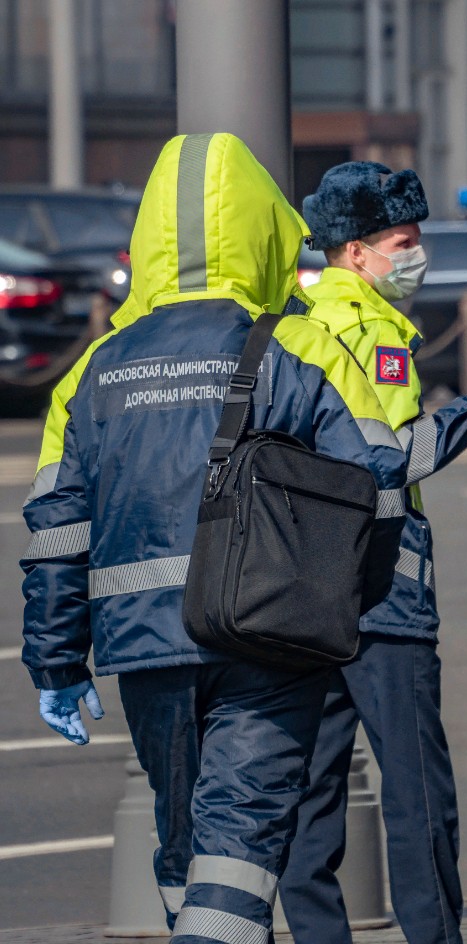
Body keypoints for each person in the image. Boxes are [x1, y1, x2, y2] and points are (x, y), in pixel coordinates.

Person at [18, 132, 408, 943]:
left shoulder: (95, 366)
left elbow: (57, 529)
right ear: (266, 234)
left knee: (188, 850)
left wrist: (57, 660)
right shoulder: (299, 346)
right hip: (270, 641)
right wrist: (334, 606)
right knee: (238, 852)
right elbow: (381, 489)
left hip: (146, 652)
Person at [277, 161, 467, 944]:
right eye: (403, 242)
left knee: (308, 799)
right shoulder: (376, 330)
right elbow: (400, 455)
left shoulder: (285, 322)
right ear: (354, 252)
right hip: (384, 594)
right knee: (418, 796)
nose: (415, 258)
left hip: (299, 597)